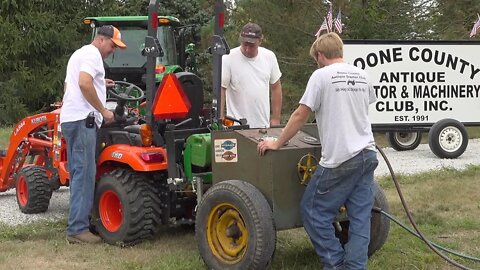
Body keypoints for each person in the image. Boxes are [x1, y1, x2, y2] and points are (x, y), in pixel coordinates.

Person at [257, 32, 378, 269]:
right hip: (367, 153)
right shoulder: (362, 75)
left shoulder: (321, 76)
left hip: (341, 159)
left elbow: (301, 114)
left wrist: (276, 143)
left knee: (312, 212)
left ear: (320, 55)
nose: (316, 62)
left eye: (316, 58)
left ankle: (334, 262)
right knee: (361, 218)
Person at [60, 25, 126, 244]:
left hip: (73, 120)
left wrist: (101, 83)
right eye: (112, 45)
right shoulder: (93, 55)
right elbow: (83, 83)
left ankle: (80, 223)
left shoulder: (79, 54)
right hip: (83, 121)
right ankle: (77, 230)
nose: (112, 51)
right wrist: (104, 110)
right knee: (84, 174)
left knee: (80, 172)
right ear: (101, 40)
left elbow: (73, 84)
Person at [221, 22, 283, 128]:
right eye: (245, 44)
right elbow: (221, 89)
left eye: (252, 45)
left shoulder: (269, 57)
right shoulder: (228, 58)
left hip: (262, 126)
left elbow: (276, 87)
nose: (247, 49)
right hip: (236, 126)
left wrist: (276, 118)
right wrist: (220, 118)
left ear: (260, 41)